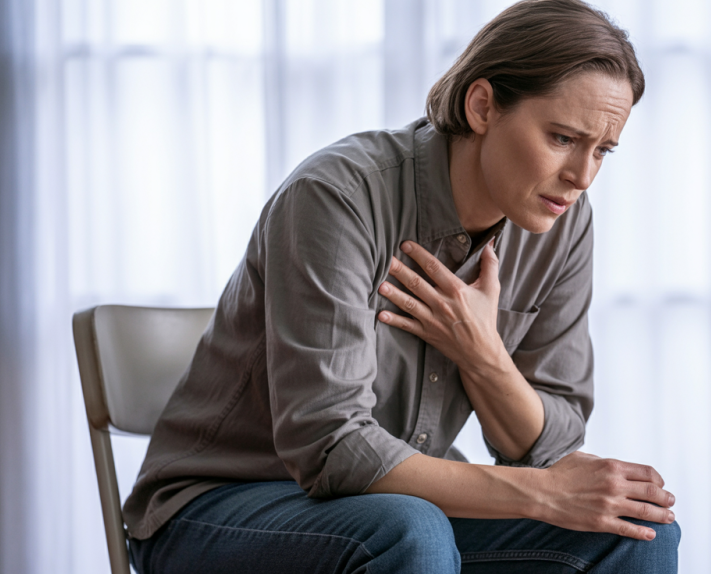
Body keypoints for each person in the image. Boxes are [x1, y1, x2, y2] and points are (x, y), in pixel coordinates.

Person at [124, 0, 680, 572]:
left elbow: (548, 443)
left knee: (638, 531)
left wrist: (484, 356)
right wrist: (543, 494)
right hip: (218, 507)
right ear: (483, 105)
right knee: (410, 530)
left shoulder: (562, 219)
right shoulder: (336, 197)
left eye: (602, 151)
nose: (582, 176)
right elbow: (333, 448)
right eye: (563, 138)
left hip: (400, 516)